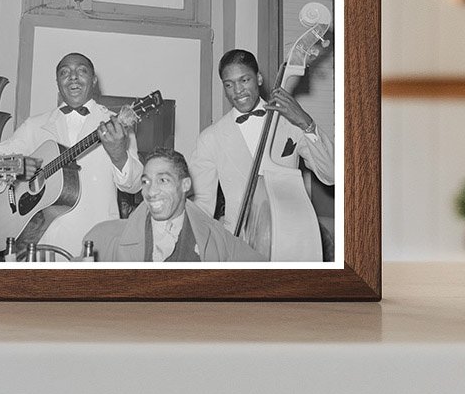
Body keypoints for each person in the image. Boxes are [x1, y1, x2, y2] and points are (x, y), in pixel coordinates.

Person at [0, 52, 143, 254]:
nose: (73, 77)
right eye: (65, 72)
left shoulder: (116, 125)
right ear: (57, 83)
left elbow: (134, 185)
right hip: (42, 243)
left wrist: (118, 154)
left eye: (82, 71)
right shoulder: (35, 126)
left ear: (94, 81)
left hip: (98, 243)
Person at [189, 48, 334, 261]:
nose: (237, 91)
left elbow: (330, 173)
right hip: (238, 244)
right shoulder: (210, 138)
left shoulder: (290, 122)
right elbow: (201, 203)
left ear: (258, 78)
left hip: (291, 240)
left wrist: (305, 122)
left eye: (244, 80)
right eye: (229, 84)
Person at [83, 149, 263, 262]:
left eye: (163, 180)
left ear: (185, 185)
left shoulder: (216, 237)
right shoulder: (103, 238)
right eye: (146, 182)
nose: (151, 192)